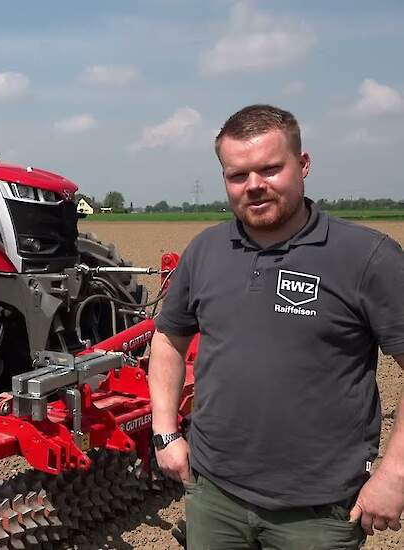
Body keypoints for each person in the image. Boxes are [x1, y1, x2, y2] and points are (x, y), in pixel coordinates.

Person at [149, 104, 404, 548]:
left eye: (270, 169)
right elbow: (169, 337)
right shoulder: (206, 250)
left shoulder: (366, 257)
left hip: (318, 513)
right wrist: (165, 431)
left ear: (303, 165)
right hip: (214, 498)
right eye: (237, 175)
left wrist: (394, 476)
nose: (254, 186)